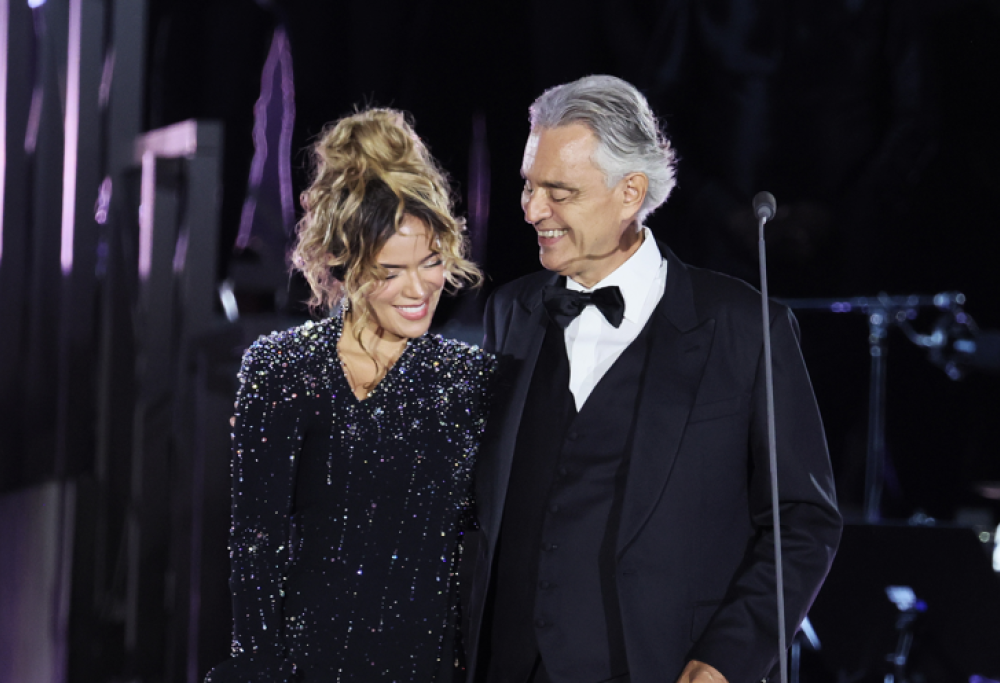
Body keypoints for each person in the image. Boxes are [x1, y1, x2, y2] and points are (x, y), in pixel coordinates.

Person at [466, 75, 842, 683]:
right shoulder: (510, 311)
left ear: (630, 192)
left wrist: (727, 660)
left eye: (560, 192)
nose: (532, 210)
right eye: (529, 185)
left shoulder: (745, 327)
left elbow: (803, 521)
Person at [206, 108, 493, 683]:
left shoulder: (468, 380)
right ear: (347, 264)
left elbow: (481, 548)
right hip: (306, 666)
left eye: (431, 263)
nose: (419, 289)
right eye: (391, 271)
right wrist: (258, 669)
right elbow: (255, 546)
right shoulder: (282, 369)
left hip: (428, 668)